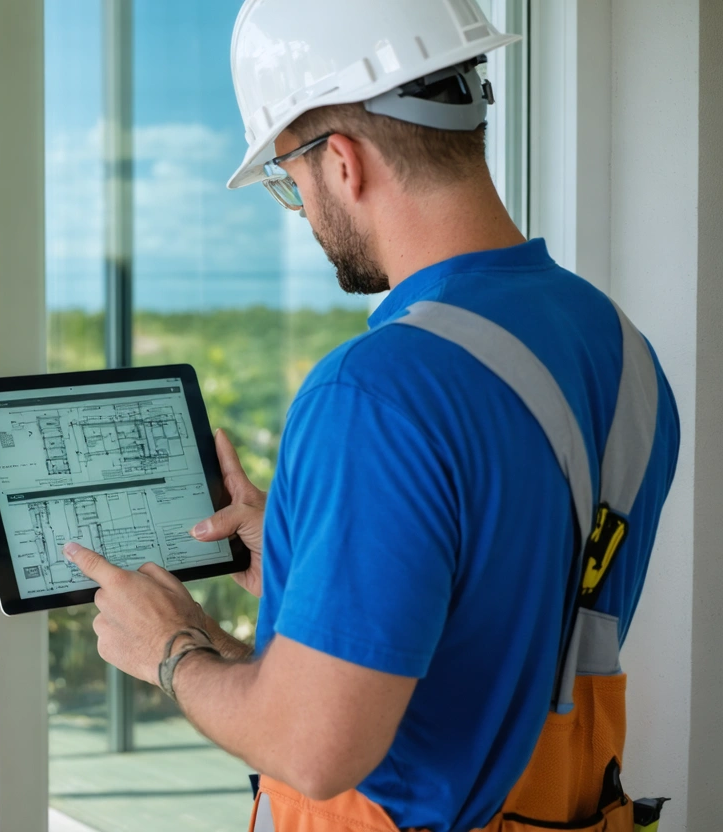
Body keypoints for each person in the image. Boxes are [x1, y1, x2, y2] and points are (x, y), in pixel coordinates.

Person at [60, 1, 681, 831]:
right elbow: (496, 622)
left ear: (342, 161)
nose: (305, 211)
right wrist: (310, 561)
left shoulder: (376, 390)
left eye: (290, 180)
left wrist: (168, 647)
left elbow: (316, 751)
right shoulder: (616, 345)